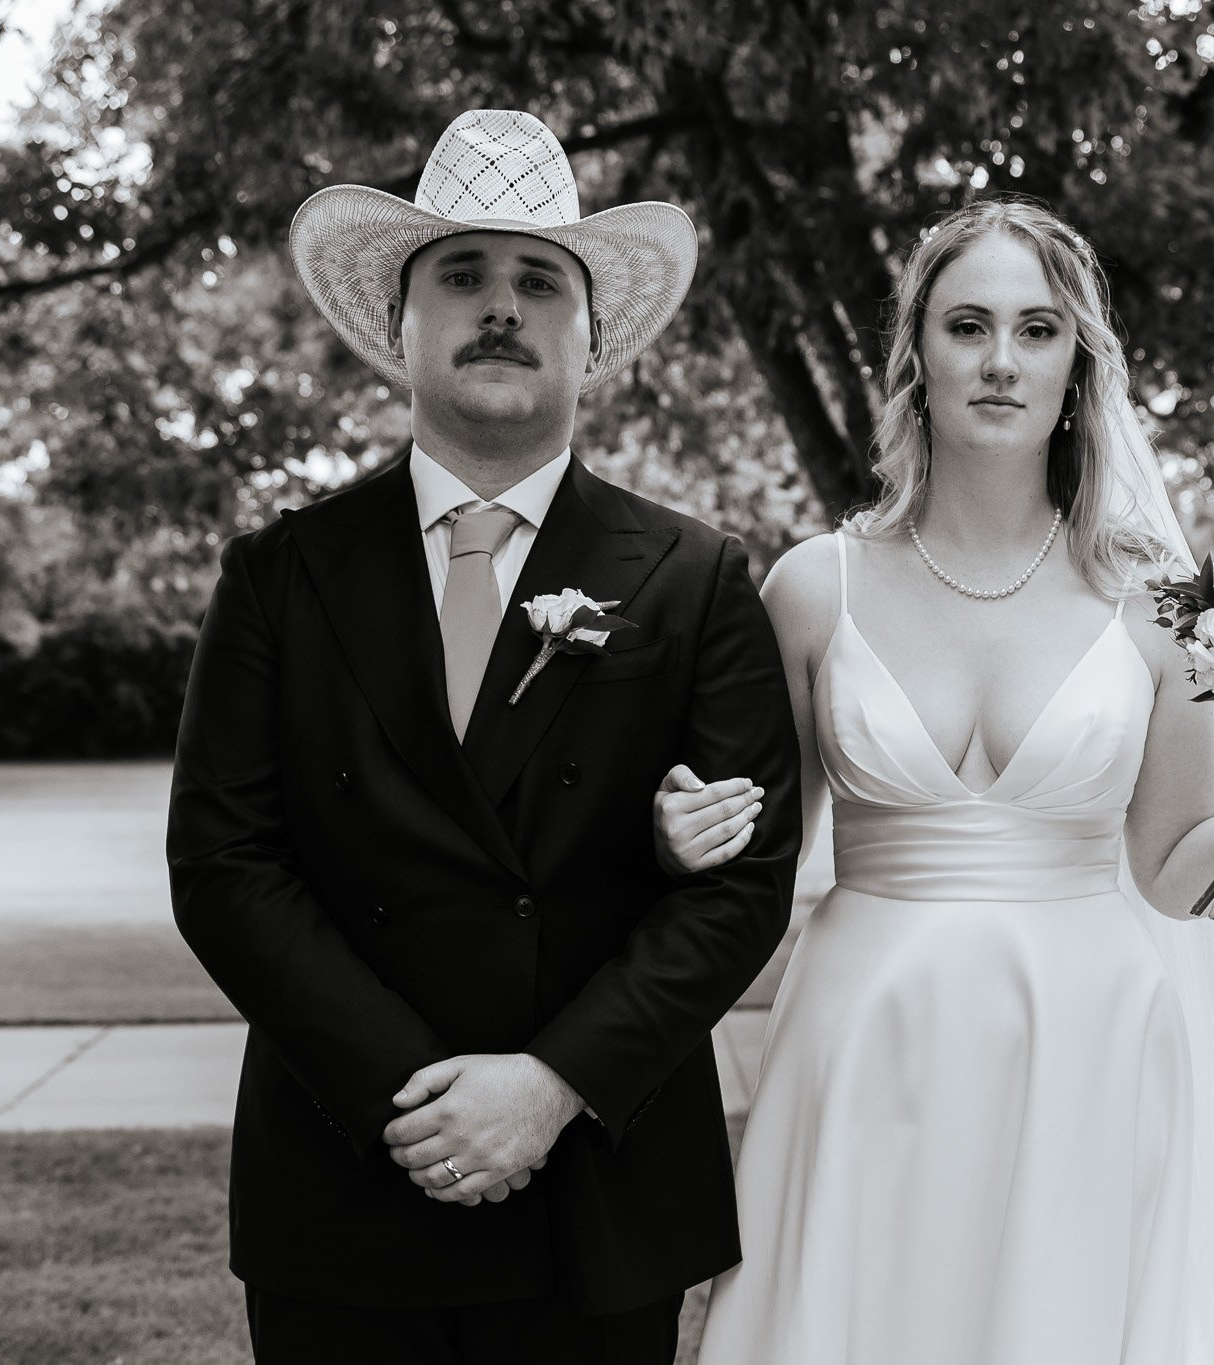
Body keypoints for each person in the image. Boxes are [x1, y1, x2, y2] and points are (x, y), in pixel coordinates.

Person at [662, 198, 1214, 1363]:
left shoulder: (1156, 606)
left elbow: (1171, 863)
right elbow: (757, 866)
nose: (997, 361)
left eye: (1035, 331)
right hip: (863, 1038)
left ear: (1076, 366)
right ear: (914, 357)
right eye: (965, 325)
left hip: (1090, 1044)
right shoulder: (811, 587)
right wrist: (689, 834)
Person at [165, 109, 801, 1364]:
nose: (497, 306)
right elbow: (225, 866)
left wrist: (546, 1088)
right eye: (460, 275)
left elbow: (741, 889)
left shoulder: (694, 577)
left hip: (594, 1179)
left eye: (534, 281)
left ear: (590, 335)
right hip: (346, 1169)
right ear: (398, 327)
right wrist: (417, 1101)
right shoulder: (279, 575)